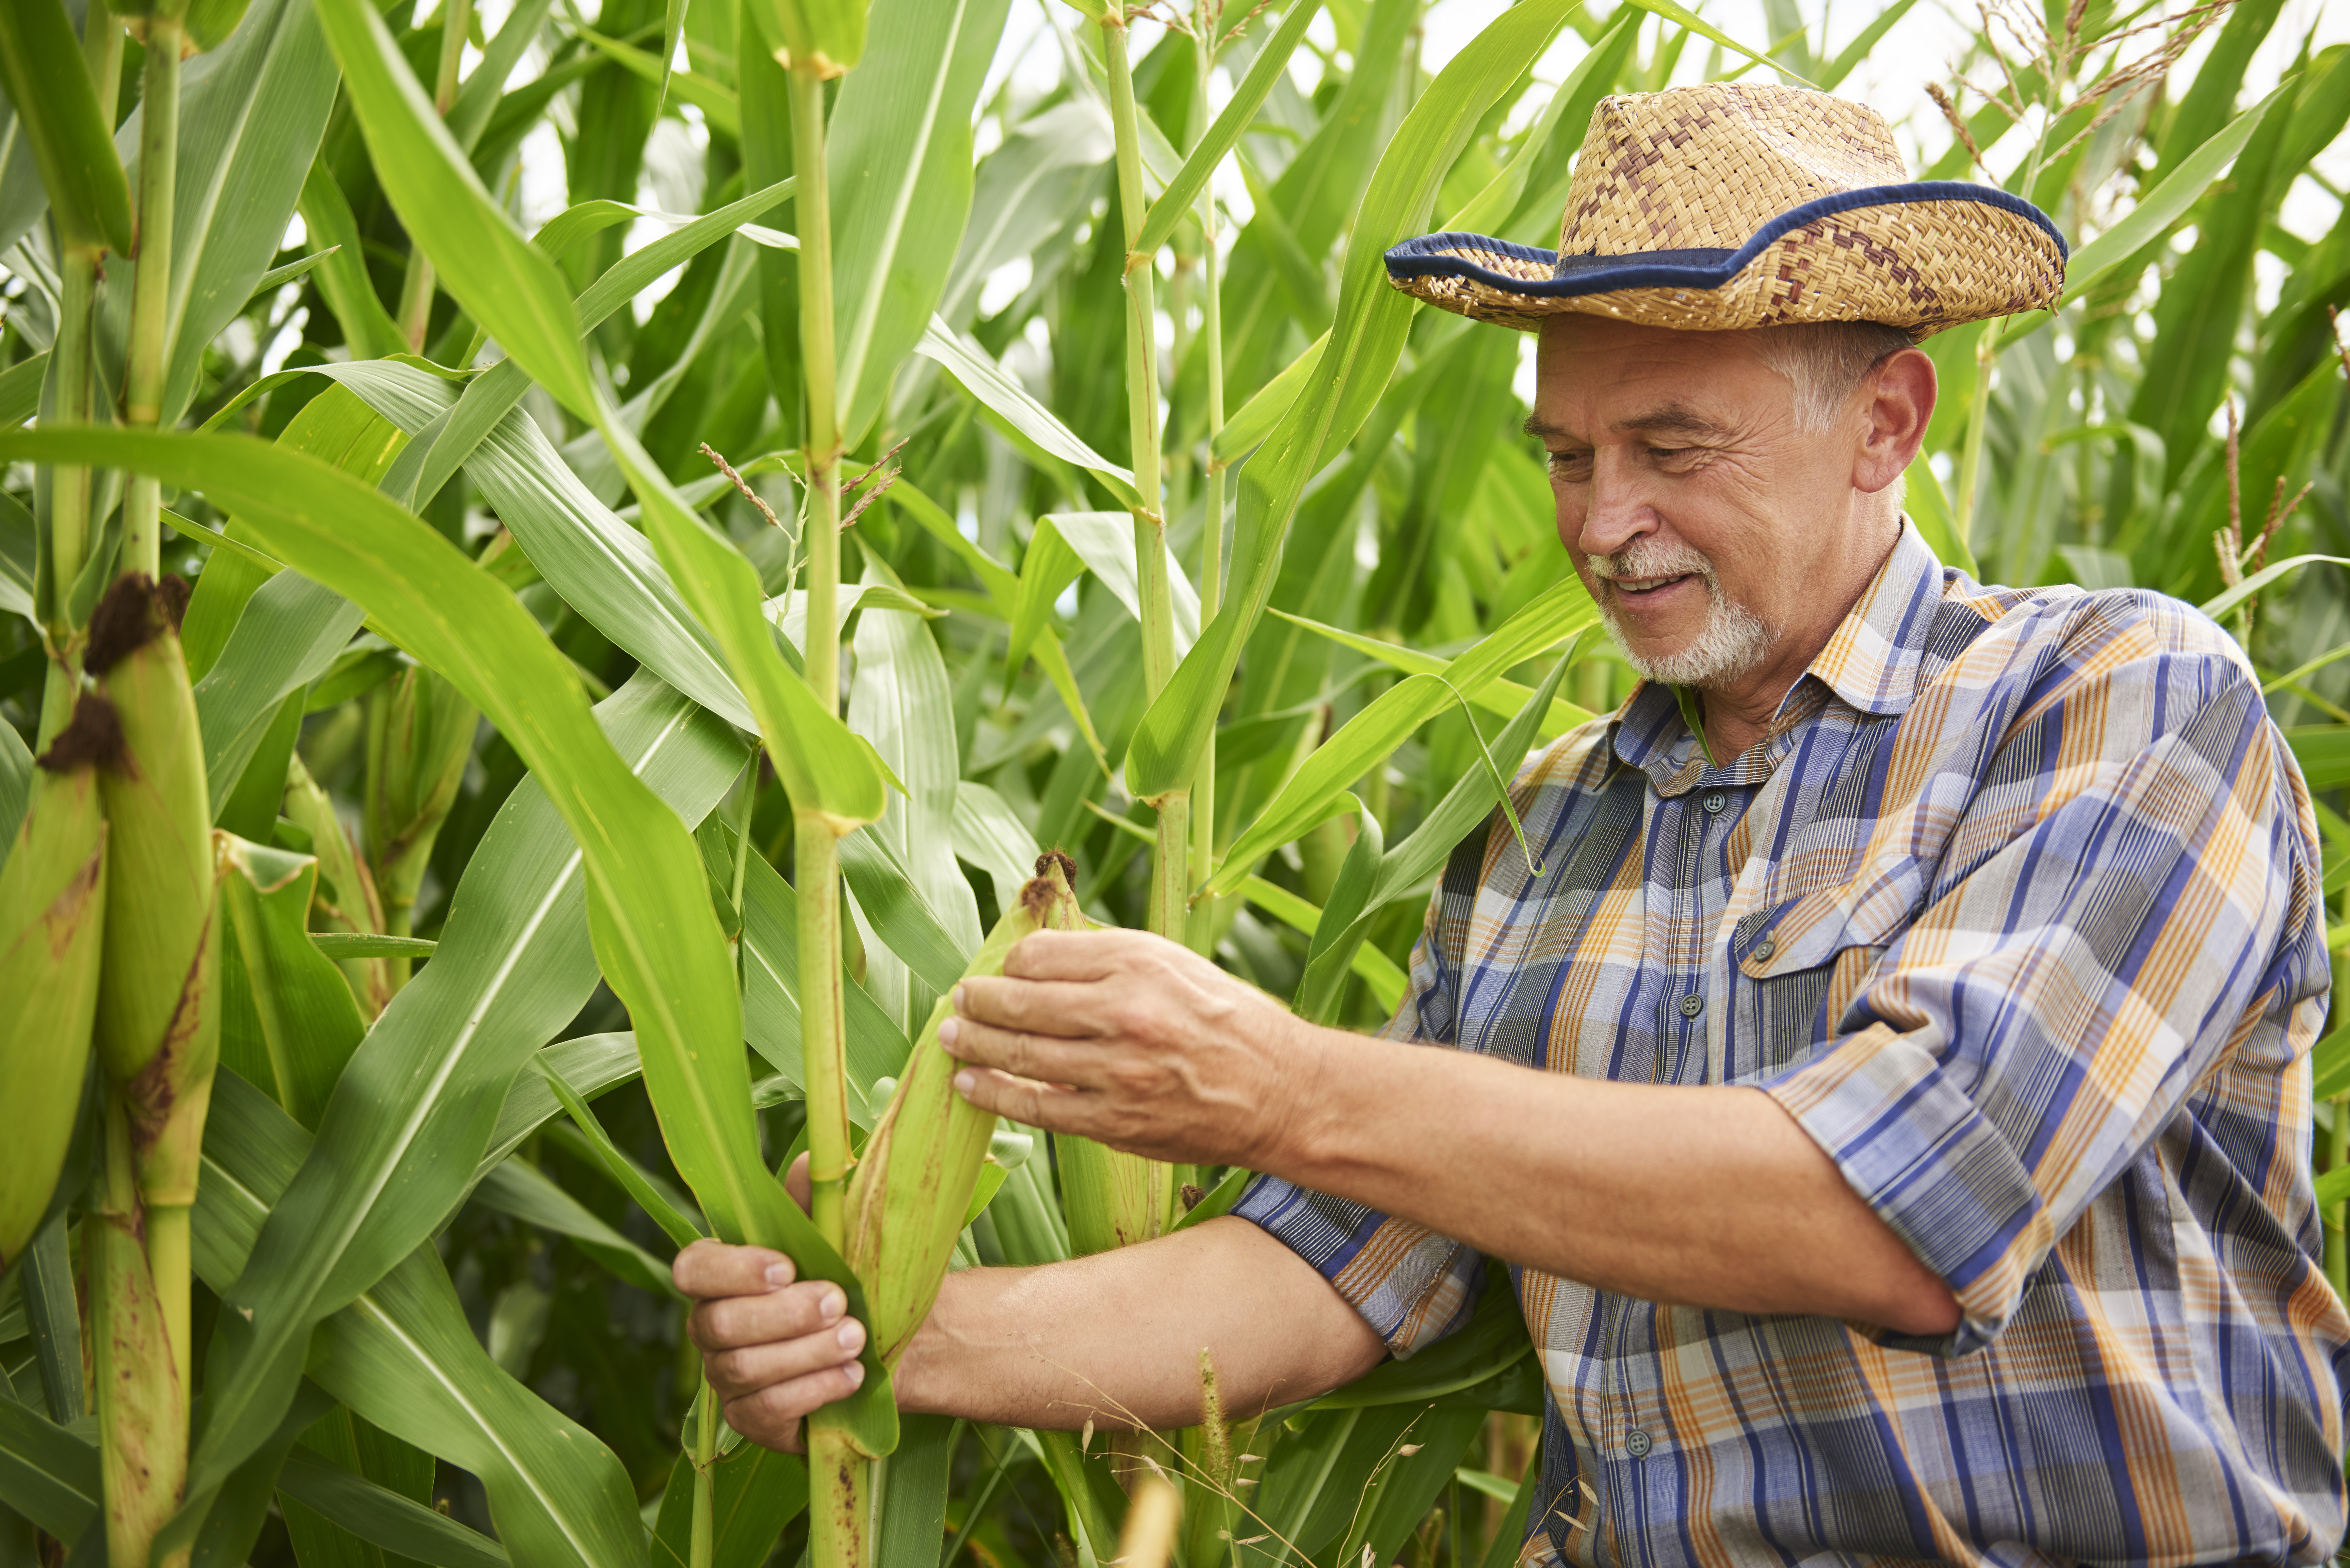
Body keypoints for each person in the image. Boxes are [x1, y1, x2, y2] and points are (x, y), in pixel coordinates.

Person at [675, 83, 2348, 1564]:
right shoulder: (1543, 830)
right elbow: (1333, 1273)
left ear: (1885, 422)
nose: (1603, 522)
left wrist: (1280, 1084)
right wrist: (885, 1338)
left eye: (1668, 447)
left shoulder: (2113, 704)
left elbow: (1906, 1215)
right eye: (1563, 455)